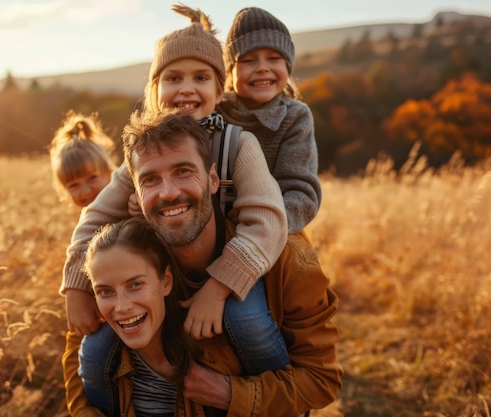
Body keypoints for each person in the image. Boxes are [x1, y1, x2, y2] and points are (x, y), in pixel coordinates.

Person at [61, 6, 291, 414]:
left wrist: (219, 288)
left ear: (220, 90)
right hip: (158, 277)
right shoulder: (142, 151)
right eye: (173, 78)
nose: (186, 89)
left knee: (247, 323)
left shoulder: (238, 145)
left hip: (232, 266)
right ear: (154, 91)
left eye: (201, 78)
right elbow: (94, 218)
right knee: (94, 350)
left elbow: (269, 219)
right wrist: (77, 283)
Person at [62, 110, 342, 416]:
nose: (169, 193)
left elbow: (321, 380)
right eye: (151, 180)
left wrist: (230, 394)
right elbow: (81, 351)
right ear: (137, 196)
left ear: (212, 180)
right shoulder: (130, 254)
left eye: (183, 171)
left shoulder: (287, 261)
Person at [218, 7, 322, 234]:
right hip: (210, 225)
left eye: (274, 58)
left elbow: (301, 192)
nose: (262, 67)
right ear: (231, 70)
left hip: (275, 224)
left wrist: (265, 218)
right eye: (248, 60)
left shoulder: (295, 117)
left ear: (288, 65)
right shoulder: (214, 111)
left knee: (298, 265)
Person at [49, 111, 116, 208]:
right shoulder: (87, 219)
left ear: (109, 172)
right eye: (73, 185)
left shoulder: (130, 203)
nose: (86, 191)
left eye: (92, 178)